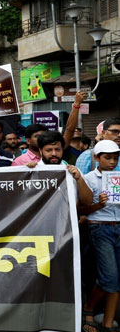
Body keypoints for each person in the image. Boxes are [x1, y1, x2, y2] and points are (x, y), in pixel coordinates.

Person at [81, 140, 120, 332]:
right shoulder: (87, 178)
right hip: (99, 227)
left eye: (115, 158)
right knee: (110, 277)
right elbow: (81, 209)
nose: (112, 162)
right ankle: (89, 307)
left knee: (116, 277)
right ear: (96, 158)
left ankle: (107, 323)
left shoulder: (119, 177)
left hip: (118, 225)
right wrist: (99, 205)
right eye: (107, 157)